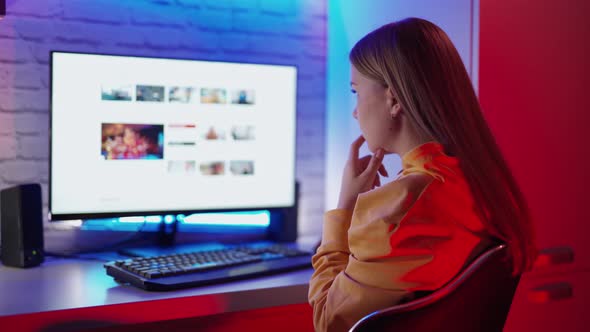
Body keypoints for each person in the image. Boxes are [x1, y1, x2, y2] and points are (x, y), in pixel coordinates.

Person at [308, 17, 537, 332]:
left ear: (394, 98)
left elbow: (328, 322)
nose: (355, 111)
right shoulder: (477, 184)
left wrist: (345, 207)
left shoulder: (398, 208)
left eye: (355, 92)